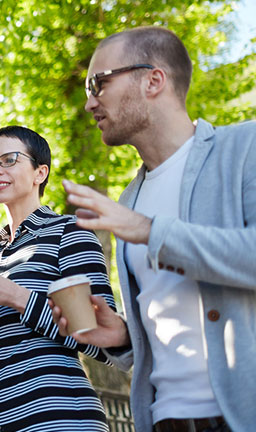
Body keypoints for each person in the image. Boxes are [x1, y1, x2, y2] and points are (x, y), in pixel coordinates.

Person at [52, 26, 256, 432]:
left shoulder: (244, 148)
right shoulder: (128, 198)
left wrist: (148, 230)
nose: (90, 101)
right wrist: (125, 338)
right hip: (163, 419)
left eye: (99, 83)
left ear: (153, 80)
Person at [0, 126, 116, 432]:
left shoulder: (70, 233)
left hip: (64, 419)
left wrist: (14, 296)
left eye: (9, 159)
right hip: (7, 422)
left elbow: (103, 339)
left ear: (40, 173)